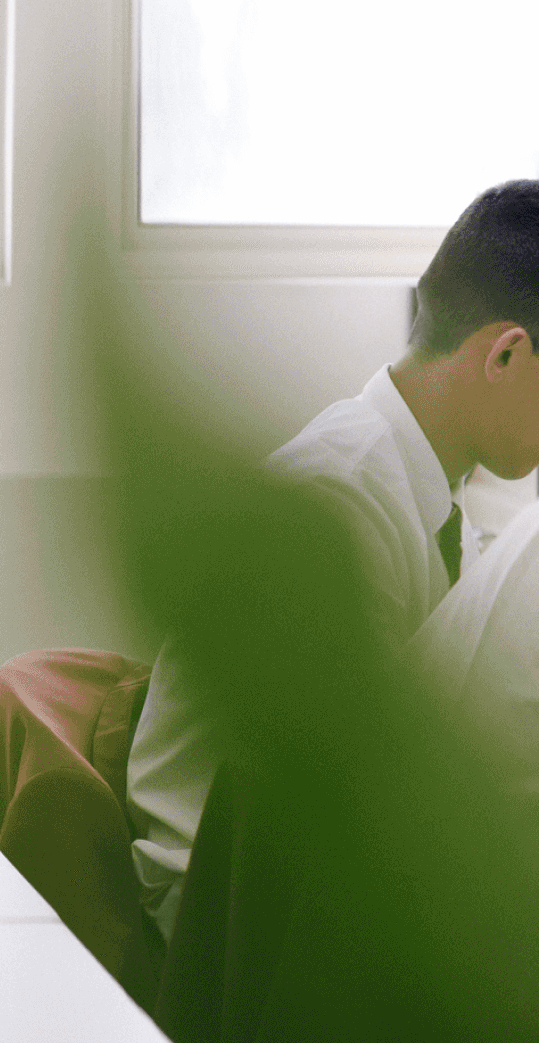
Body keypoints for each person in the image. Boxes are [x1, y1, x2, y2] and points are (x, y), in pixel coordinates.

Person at [125, 179, 539, 938]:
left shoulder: (424, 484)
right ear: (508, 356)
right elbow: (359, 806)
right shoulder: (339, 499)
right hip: (234, 925)